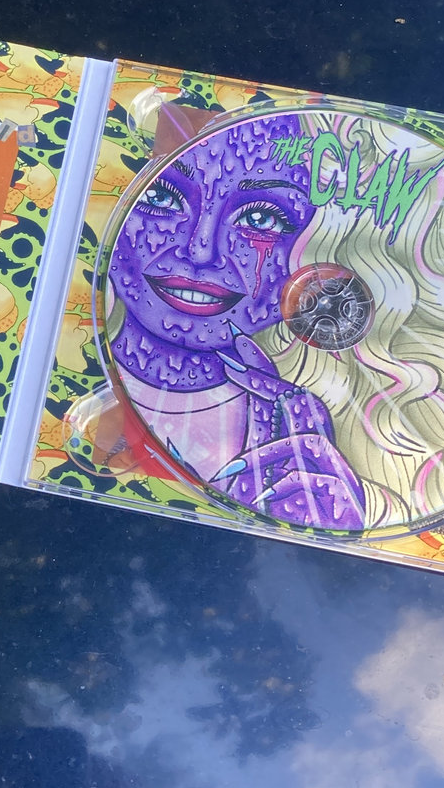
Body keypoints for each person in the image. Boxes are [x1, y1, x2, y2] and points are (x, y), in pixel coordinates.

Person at [107, 112, 368, 529]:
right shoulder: (60, 364)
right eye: (163, 197)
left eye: (260, 220)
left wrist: (324, 534)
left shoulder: (293, 429)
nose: (200, 250)